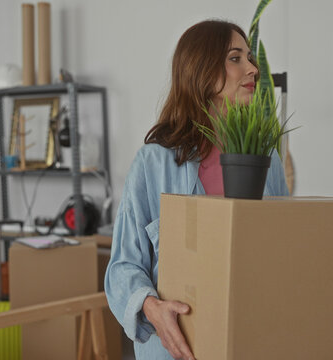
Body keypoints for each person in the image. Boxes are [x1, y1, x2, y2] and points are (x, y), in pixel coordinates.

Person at [104, 19, 289, 360]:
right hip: (174, 349)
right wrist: (151, 307)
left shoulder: (267, 159)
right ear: (202, 70)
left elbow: (283, 254)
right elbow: (123, 268)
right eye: (236, 58)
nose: (252, 68)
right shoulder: (152, 164)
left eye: (250, 57)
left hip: (249, 343)